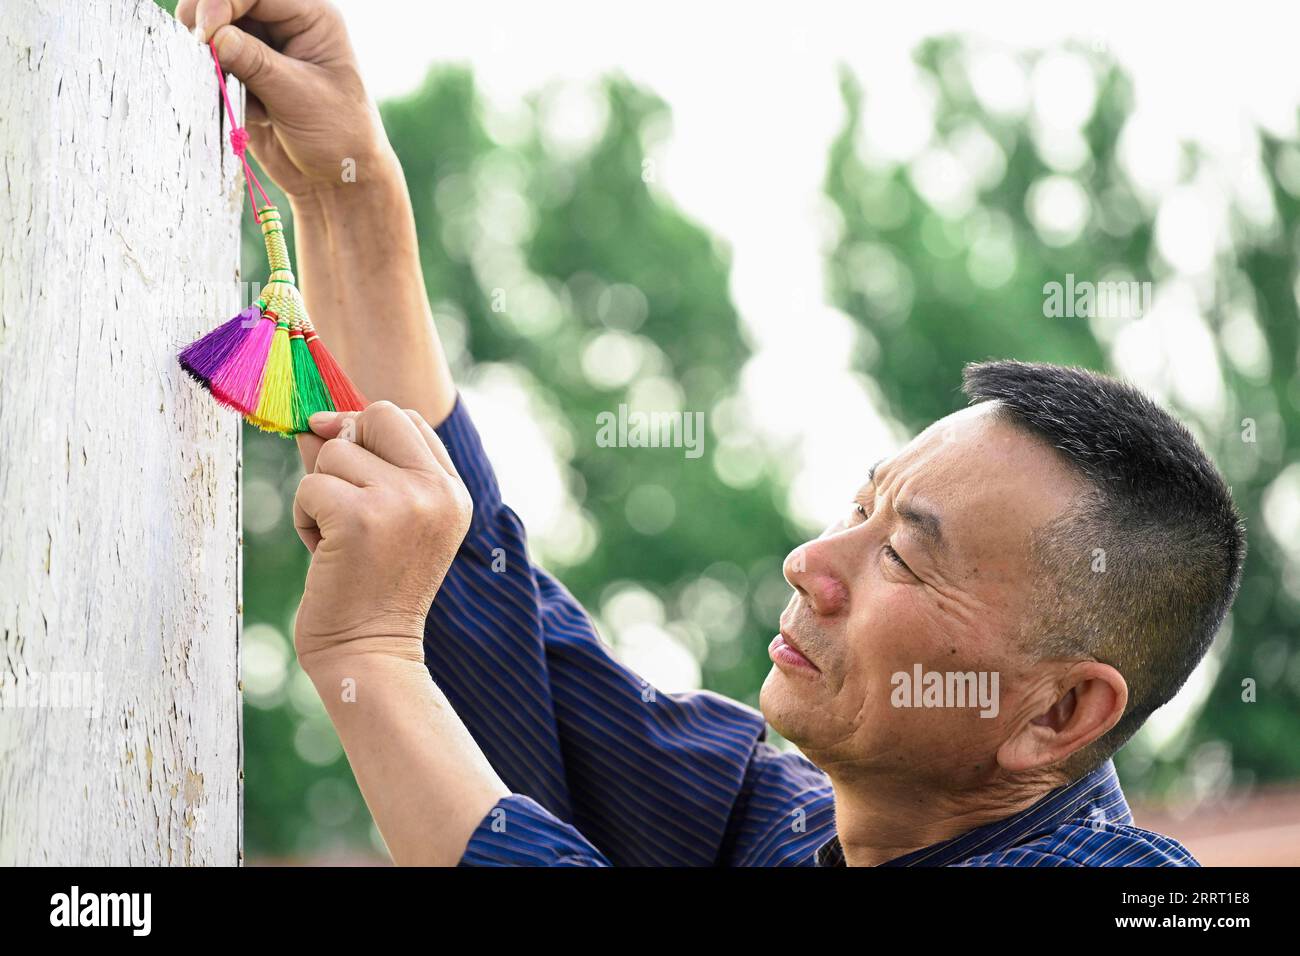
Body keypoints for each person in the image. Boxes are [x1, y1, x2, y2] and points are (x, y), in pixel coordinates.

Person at [177, 0, 1245, 866]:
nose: (811, 564)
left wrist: (370, 659)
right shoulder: (784, 825)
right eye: (856, 510)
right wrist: (346, 195)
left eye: (906, 558)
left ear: (1057, 712)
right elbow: (515, 655)